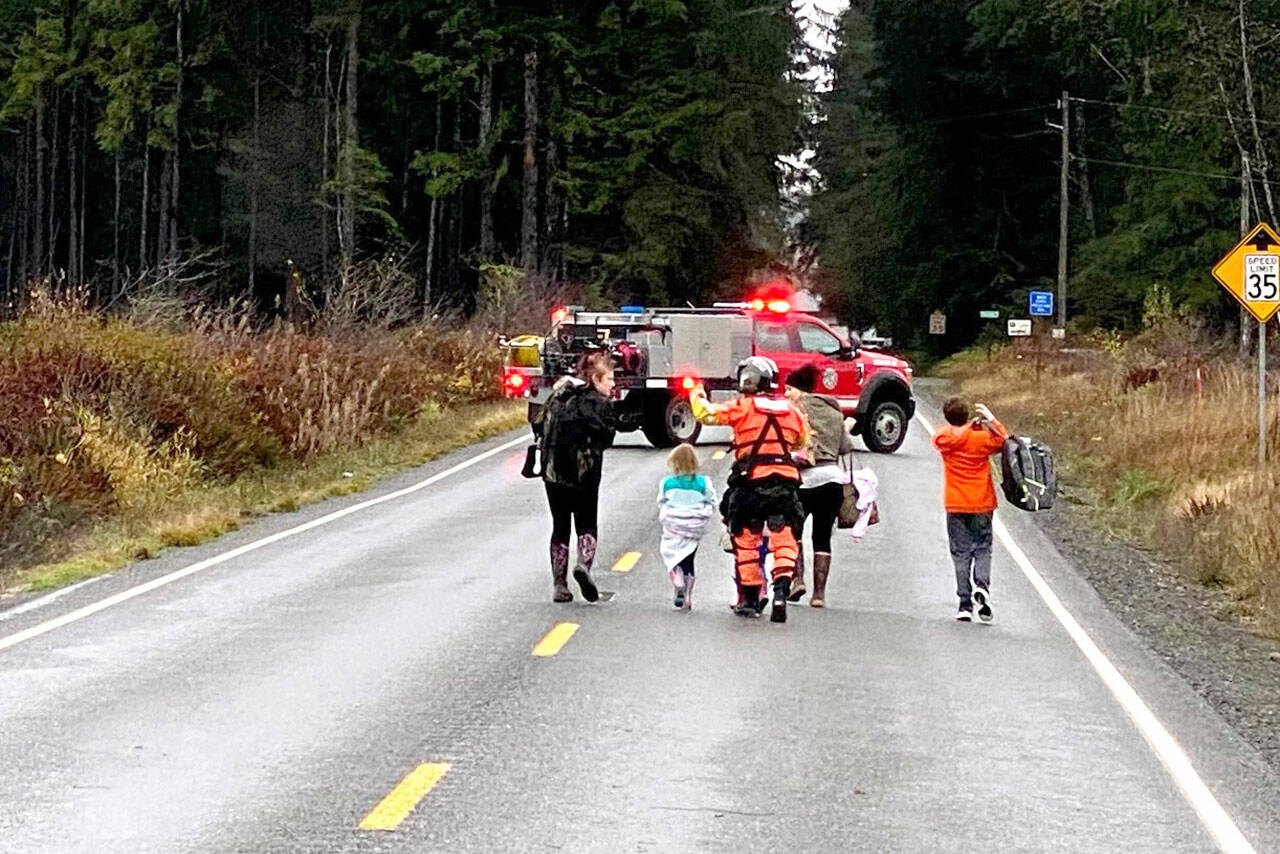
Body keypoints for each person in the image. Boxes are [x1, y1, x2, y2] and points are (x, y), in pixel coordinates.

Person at [690, 357, 810, 623]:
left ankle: (751, 600)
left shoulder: (742, 407)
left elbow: (705, 414)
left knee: (746, 539)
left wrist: (695, 391)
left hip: (749, 483)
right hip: (784, 482)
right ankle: (781, 590)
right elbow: (803, 440)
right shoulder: (793, 411)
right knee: (785, 538)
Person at [538, 351, 626, 603]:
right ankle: (584, 565)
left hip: (552, 472)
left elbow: (539, 425)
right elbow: (607, 438)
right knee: (586, 523)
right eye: (609, 378)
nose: (612, 384)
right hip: (584, 473)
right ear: (595, 379)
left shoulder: (557, 397)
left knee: (560, 525)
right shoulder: (599, 404)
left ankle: (559, 584)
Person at [783, 364, 856, 608]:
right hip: (832, 480)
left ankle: (797, 580)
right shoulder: (835, 412)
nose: (785, 394)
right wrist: (845, 429)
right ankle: (819, 595)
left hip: (802, 481)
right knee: (822, 538)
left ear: (800, 390)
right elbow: (845, 448)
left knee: (794, 532)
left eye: (789, 389)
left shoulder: (794, 411)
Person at [931, 397, 1009, 623]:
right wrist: (990, 418)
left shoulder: (944, 438)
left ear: (947, 416)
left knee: (960, 554)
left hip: (956, 504)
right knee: (983, 549)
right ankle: (982, 586)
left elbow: (940, 439)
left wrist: (966, 428)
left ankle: (964, 604)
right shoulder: (982, 439)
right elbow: (1004, 440)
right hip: (982, 503)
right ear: (967, 415)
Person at [657, 443, 717, 611]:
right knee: (689, 559)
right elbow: (712, 501)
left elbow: (661, 501)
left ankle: (677, 579)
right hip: (694, 526)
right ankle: (688, 598)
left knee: (671, 554)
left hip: (673, 526)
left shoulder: (667, 483)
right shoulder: (704, 482)